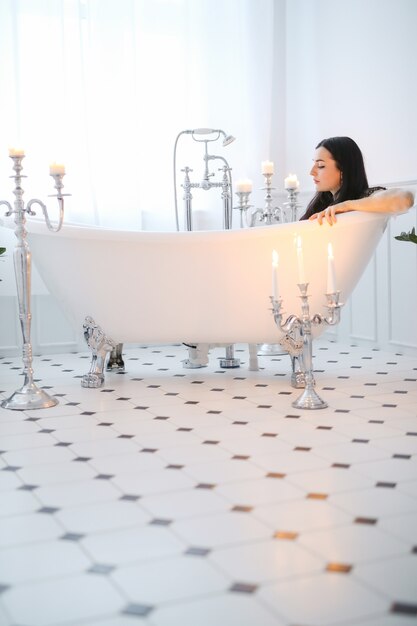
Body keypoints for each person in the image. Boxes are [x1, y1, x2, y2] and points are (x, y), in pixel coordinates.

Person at [300, 136, 414, 224]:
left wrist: (345, 206)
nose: (312, 172)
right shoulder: (321, 203)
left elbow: (405, 199)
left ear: (343, 170)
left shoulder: (363, 197)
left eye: (320, 165)